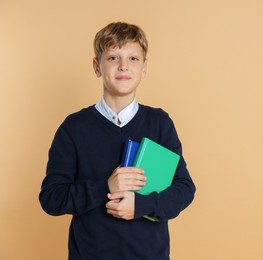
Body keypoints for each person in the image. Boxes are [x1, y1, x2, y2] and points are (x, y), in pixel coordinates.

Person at [39, 22, 196, 259]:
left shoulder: (159, 123)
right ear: (97, 66)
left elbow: (184, 189)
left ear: (144, 68)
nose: (123, 66)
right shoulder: (73, 127)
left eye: (133, 58)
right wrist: (105, 187)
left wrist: (140, 206)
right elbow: (51, 198)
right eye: (113, 57)